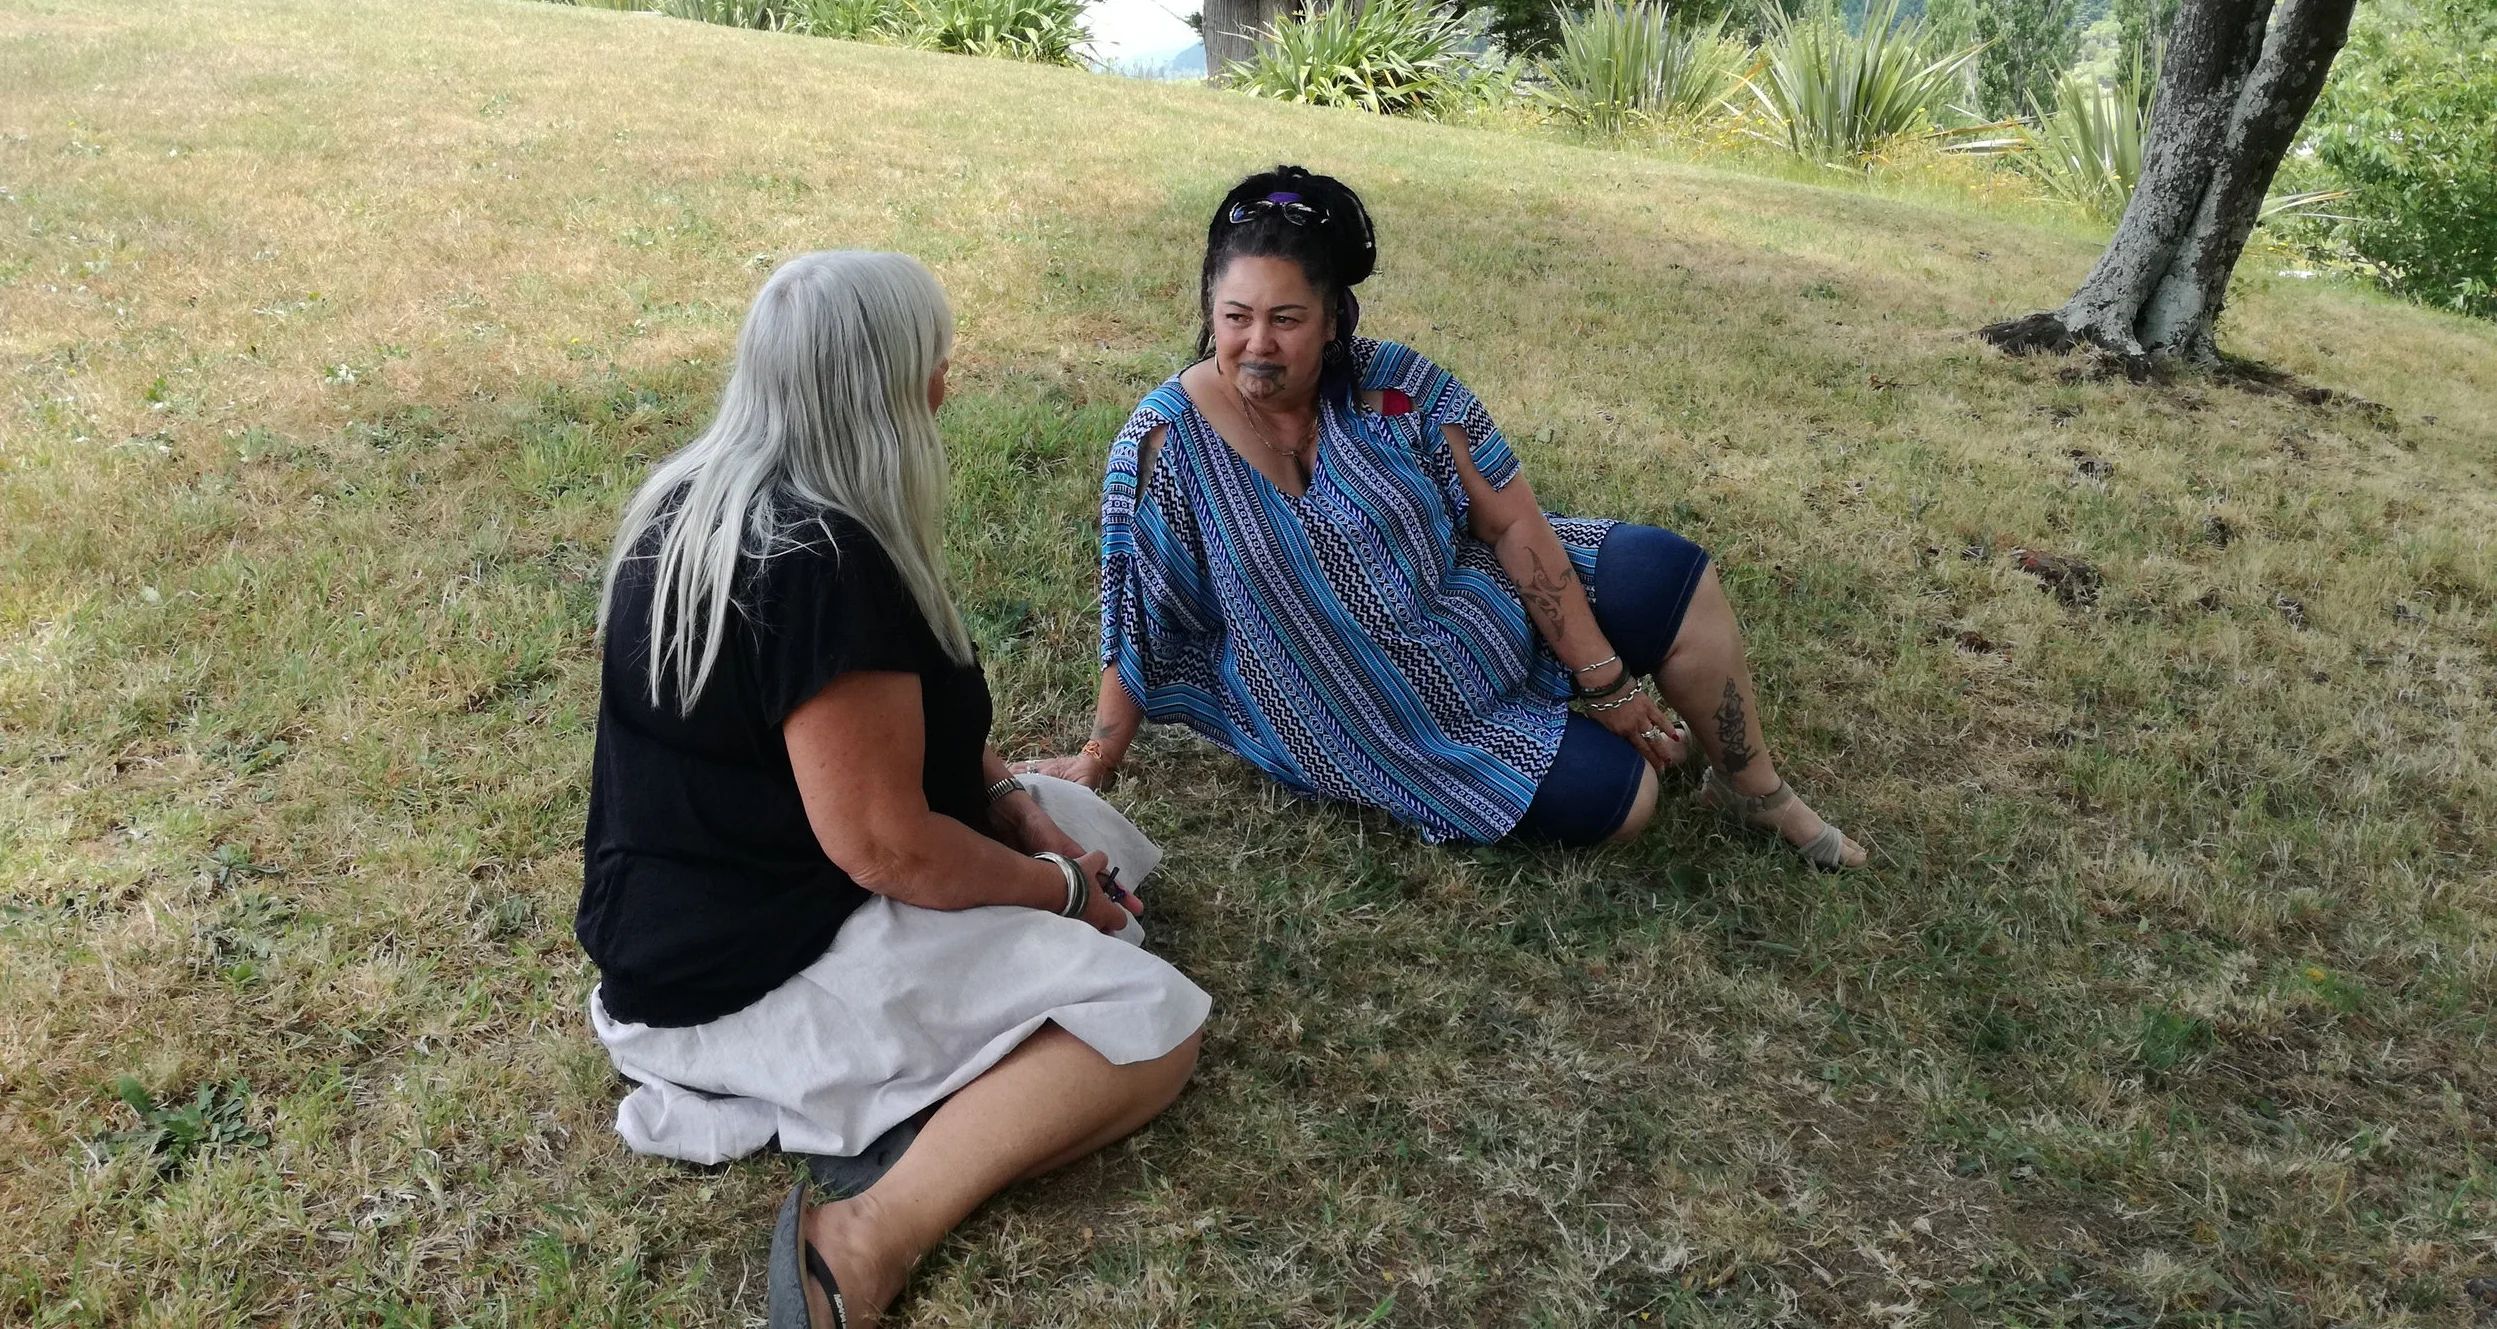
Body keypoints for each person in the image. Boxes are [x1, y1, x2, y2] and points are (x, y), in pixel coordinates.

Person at [575, 251, 1210, 1328]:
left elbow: (902, 749)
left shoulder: (702, 499)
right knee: (1150, 1022)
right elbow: (888, 848)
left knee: (1102, 835)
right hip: (748, 969)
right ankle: (865, 1237)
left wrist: (1015, 804)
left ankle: (943, 1071)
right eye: (933, 364)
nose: (944, 388)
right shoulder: (819, 564)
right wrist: (1055, 892)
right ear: (883, 388)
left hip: (706, 906)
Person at [1023, 167, 1865, 868]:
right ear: (1210, 309)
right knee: (1624, 799)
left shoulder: (1398, 388)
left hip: (1475, 607)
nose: (1257, 344)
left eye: (1286, 319)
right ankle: (1544, 739)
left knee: (1667, 573)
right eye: (1235, 317)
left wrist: (1604, 679)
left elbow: (1513, 526)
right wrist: (1100, 754)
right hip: (1362, 711)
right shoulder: (1165, 441)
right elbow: (1139, 608)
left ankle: (1755, 790)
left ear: (1332, 318)